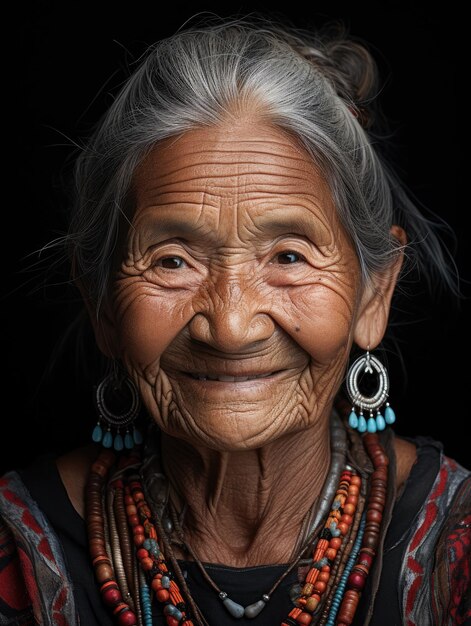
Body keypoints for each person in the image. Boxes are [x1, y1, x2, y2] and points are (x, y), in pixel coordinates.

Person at [0, 17, 469, 626]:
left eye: (289, 257)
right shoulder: (17, 549)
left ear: (373, 295)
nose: (230, 326)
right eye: (172, 260)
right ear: (101, 302)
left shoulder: (456, 550)